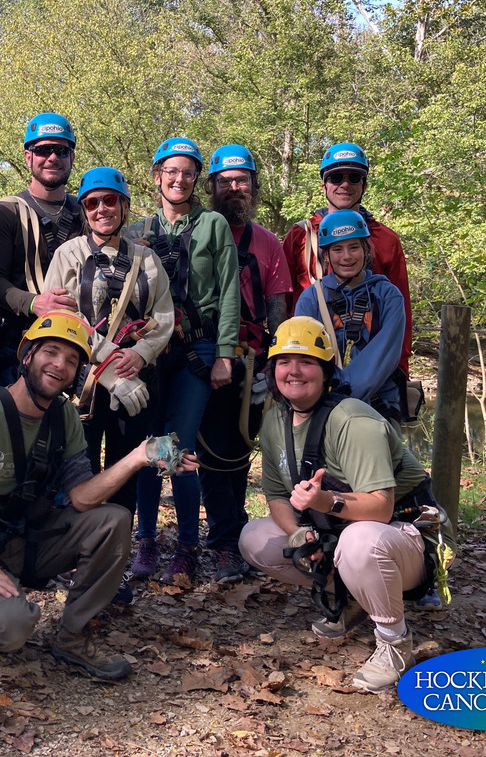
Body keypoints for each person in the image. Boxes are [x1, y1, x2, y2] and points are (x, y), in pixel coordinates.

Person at [0, 310, 198, 679]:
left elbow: (84, 499)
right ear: (27, 356)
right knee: (10, 630)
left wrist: (138, 456)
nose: (60, 365)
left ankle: (72, 637)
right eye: (51, 352)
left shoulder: (63, 416)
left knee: (113, 520)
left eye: (72, 360)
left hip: (21, 538)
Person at [238, 317, 455, 692]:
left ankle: (394, 643)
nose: (294, 371)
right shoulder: (275, 420)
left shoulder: (353, 419)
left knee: (362, 543)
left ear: (325, 372)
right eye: (284, 362)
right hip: (339, 529)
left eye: (306, 362)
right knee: (255, 538)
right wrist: (300, 534)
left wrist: (325, 500)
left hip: (404, 535)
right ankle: (350, 594)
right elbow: (276, 496)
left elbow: (380, 509)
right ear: (272, 372)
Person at [43, 167, 175, 601]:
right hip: (80, 386)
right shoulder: (67, 255)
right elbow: (61, 318)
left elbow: (164, 317)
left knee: (125, 472)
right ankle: (69, 560)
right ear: (83, 209)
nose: (102, 209)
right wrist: (108, 367)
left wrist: (141, 355)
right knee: (76, 471)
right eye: (93, 202)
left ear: (123, 205)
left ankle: (112, 566)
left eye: (110, 201)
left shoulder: (146, 259)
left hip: (136, 385)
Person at [128, 137, 240, 584]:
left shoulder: (212, 225)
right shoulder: (138, 230)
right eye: (170, 172)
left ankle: (189, 547)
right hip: (151, 351)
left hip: (199, 347)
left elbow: (229, 291)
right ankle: (148, 541)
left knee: (181, 447)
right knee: (150, 445)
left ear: (196, 179)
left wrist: (226, 355)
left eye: (187, 173)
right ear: (157, 176)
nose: (179, 180)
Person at [196, 144, 291, 583]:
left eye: (242, 180)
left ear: (253, 185)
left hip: (252, 362)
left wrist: (274, 365)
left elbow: (277, 309)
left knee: (239, 451)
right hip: (208, 357)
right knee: (213, 451)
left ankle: (234, 539)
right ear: (212, 186)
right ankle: (221, 543)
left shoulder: (268, 243)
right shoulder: (198, 233)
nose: (235, 188)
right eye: (225, 181)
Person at [281, 142, 412, 382]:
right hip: (310, 364)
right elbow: (283, 301)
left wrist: (400, 370)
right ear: (324, 185)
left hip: (372, 368)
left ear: (364, 185)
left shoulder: (385, 239)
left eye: (354, 177)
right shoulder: (300, 236)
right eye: (336, 177)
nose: (344, 184)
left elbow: (401, 311)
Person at [0, 113, 84, 384]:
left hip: (78, 341)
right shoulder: (6, 212)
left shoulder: (88, 211)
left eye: (61, 150)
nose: (52, 157)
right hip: (20, 342)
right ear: (28, 157)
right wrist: (33, 303)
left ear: (72, 157)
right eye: (43, 150)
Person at [293, 209, 406, 431]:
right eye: (337, 249)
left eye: (354, 247)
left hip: (377, 405)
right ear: (326, 255)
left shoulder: (387, 296)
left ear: (366, 250)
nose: (347, 256)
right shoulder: (312, 298)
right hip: (321, 405)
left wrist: (342, 398)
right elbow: (303, 355)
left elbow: (385, 354)